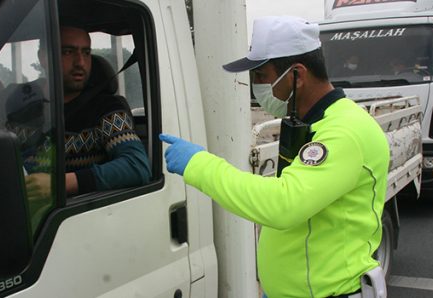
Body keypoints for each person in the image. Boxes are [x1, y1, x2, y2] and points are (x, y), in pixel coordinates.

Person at [159, 16, 390, 298]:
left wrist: (199, 164)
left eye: (261, 77)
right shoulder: (311, 123)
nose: (256, 88)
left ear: (297, 75)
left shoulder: (344, 132)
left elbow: (282, 204)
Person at [23, 26, 150, 198]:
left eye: (86, 52)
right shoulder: (17, 100)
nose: (80, 63)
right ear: (43, 58)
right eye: (68, 52)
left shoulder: (106, 109)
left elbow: (137, 165)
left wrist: (59, 185)